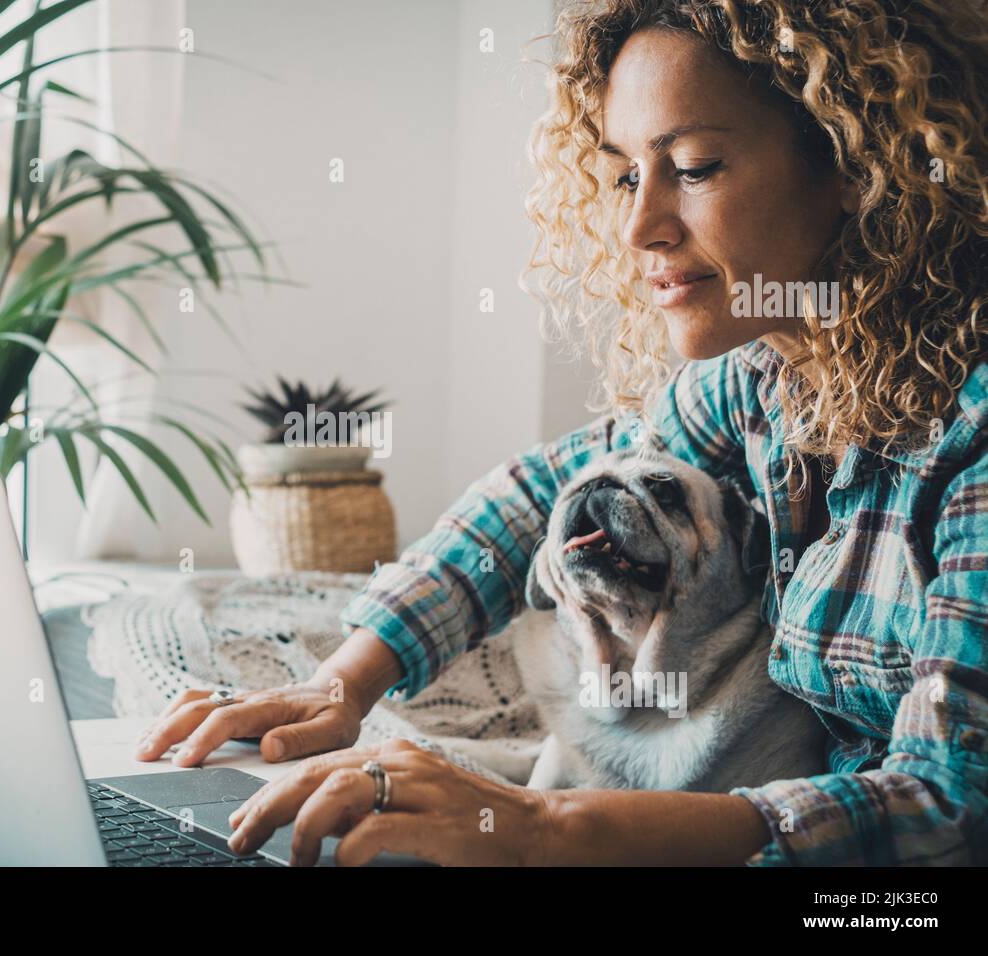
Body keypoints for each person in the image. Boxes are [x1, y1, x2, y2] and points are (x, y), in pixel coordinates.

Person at [136, 0, 988, 866]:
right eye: (625, 174)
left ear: (854, 163)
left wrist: (544, 826)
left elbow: (946, 808)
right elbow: (542, 494)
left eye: (693, 167)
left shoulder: (973, 438)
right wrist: (343, 682)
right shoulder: (763, 377)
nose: (637, 227)